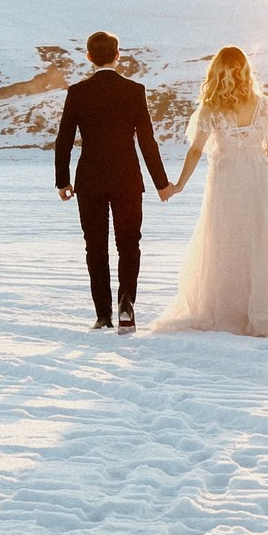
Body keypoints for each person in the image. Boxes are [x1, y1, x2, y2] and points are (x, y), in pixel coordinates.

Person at [152, 46, 268, 338]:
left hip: (226, 180)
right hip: (260, 179)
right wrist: (266, 177)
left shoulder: (211, 108)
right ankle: (261, 311)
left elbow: (195, 150)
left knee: (225, 242)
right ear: (245, 70)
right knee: (261, 242)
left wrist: (179, 184)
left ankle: (228, 311)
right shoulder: (264, 106)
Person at [52, 30, 172, 332]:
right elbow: (147, 141)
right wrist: (161, 184)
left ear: (89, 57)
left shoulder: (78, 92)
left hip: (89, 181)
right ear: (118, 56)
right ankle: (126, 304)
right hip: (127, 180)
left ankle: (103, 315)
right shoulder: (134, 90)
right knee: (129, 244)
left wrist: (62, 181)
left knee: (95, 247)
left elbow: (64, 139)